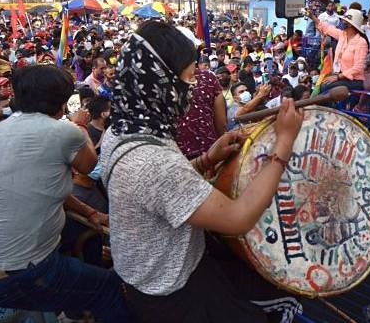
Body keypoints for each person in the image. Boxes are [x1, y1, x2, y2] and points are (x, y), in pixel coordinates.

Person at [99, 20, 303, 322]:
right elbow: (237, 219)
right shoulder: (155, 161)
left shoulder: (122, 129)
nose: (193, 89)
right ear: (160, 82)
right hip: (173, 294)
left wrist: (207, 158)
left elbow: (157, 194)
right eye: (189, 79)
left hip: (152, 278)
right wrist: (284, 141)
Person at [0, 64, 128, 322]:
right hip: (17, 272)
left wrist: (88, 211)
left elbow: (46, 189)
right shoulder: (65, 131)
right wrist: (80, 127)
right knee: (109, 289)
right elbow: (89, 166)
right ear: (61, 101)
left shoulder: (0, 128)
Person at [306, 8, 369, 93]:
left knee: (325, 87)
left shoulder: (361, 42)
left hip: (353, 80)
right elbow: (327, 28)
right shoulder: (342, 35)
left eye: (344, 21)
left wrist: (338, 77)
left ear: (350, 24)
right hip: (339, 76)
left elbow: (358, 68)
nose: (342, 22)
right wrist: (312, 17)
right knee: (318, 85)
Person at [176, 66, 226, 160]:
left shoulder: (158, 80)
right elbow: (221, 123)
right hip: (209, 155)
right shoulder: (208, 77)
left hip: (176, 159)